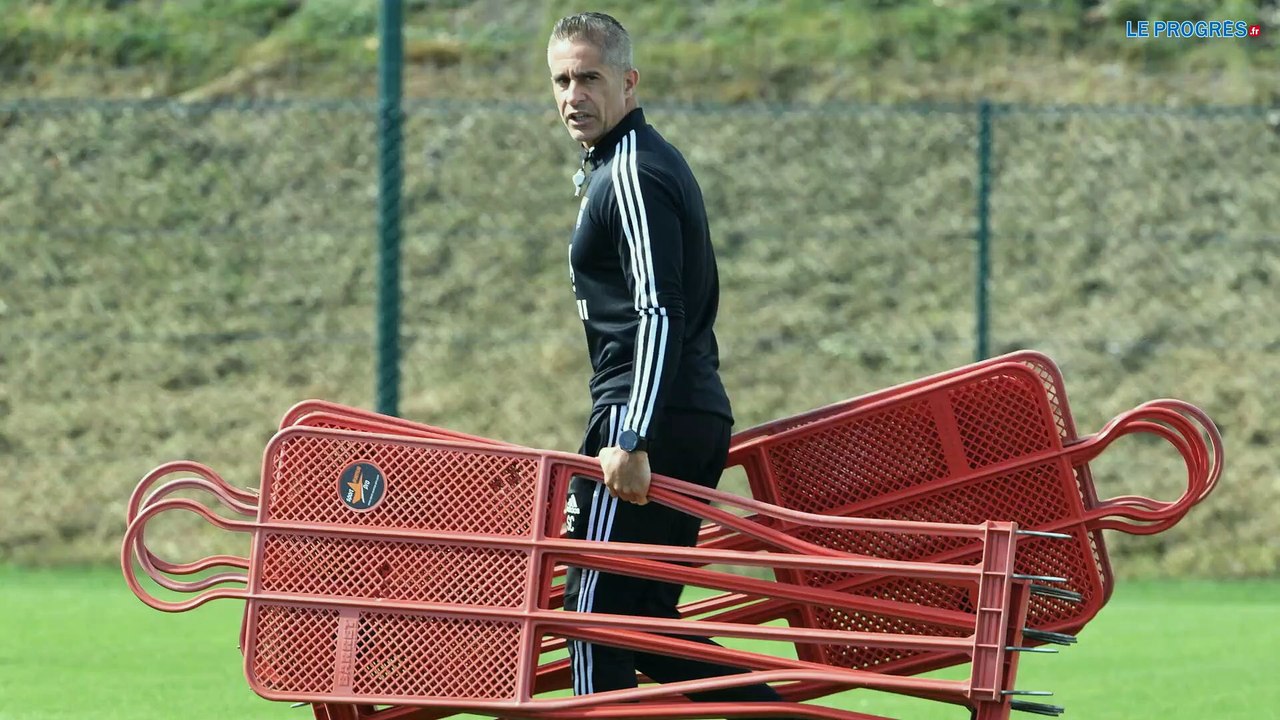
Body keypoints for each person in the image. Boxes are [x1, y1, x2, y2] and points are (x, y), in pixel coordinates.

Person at [547, 11, 787, 709]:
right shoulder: (627, 165)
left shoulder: (633, 173)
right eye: (562, 80)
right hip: (680, 409)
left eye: (589, 77)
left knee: (593, 621)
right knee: (645, 624)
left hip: (651, 414)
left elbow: (659, 310)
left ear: (628, 82)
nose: (573, 95)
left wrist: (630, 434)